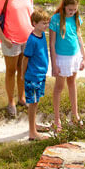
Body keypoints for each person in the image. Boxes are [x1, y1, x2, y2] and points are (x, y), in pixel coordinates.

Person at [49, 0, 85, 131]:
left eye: (75, 9)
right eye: (70, 9)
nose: (72, 12)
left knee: (72, 83)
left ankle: (75, 116)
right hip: (61, 58)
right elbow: (51, 43)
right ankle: (57, 119)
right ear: (64, 6)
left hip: (75, 56)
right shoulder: (55, 19)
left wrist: (84, 57)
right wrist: (54, 65)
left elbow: (79, 37)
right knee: (59, 87)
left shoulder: (76, 18)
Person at [23, 8, 52, 141]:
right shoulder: (32, 39)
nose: (46, 26)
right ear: (34, 23)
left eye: (47, 23)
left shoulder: (42, 36)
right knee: (33, 103)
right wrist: (24, 74)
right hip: (33, 76)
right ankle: (32, 132)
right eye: (43, 23)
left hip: (40, 75)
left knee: (36, 101)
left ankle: (33, 125)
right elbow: (25, 58)